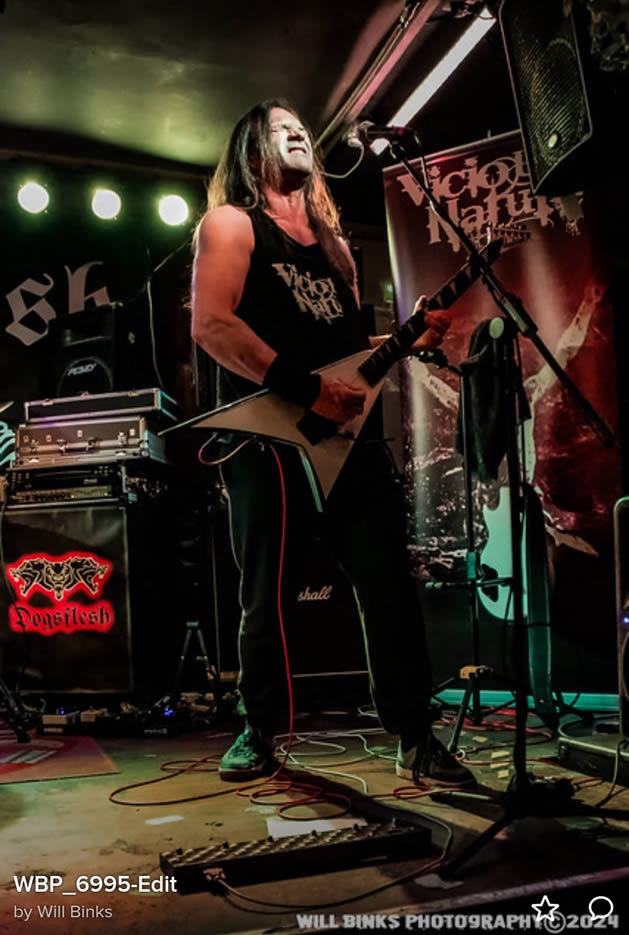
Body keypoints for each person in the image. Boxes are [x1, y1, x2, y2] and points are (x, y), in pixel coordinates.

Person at [190, 99, 474, 787]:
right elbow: (213, 325)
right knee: (267, 590)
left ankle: (415, 735)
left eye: (300, 126)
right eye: (278, 126)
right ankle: (258, 728)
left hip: (348, 444)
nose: (296, 131)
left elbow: (342, 350)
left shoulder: (336, 247)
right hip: (269, 440)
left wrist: (405, 340)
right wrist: (305, 390)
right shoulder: (231, 224)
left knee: (389, 585)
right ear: (250, 149)